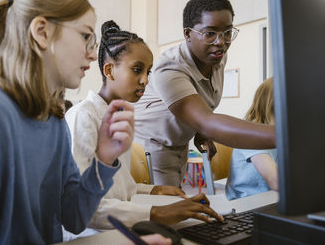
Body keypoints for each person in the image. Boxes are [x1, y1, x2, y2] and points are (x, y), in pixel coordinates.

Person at [0, 0, 140, 244]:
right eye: (86, 36)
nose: (91, 53)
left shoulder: (53, 119)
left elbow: (73, 217)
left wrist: (104, 159)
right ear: (42, 31)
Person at [66, 20, 223, 230]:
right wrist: (156, 213)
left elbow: (120, 188)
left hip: (118, 229)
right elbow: (83, 207)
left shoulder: (119, 117)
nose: (145, 81)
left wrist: (154, 191)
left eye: (148, 72)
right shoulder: (83, 116)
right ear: (110, 70)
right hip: (90, 236)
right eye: (137, 70)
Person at [133, 0, 275, 187]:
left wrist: (199, 130)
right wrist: (287, 135)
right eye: (210, 33)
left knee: (176, 204)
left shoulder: (217, 56)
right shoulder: (169, 69)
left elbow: (203, 104)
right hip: (152, 146)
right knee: (166, 209)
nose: (221, 42)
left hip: (179, 142)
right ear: (187, 34)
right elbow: (207, 121)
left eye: (227, 32)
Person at [226, 77, 277, 200]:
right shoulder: (249, 133)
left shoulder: (284, 131)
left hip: (272, 198)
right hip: (246, 203)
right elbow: (276, 181)